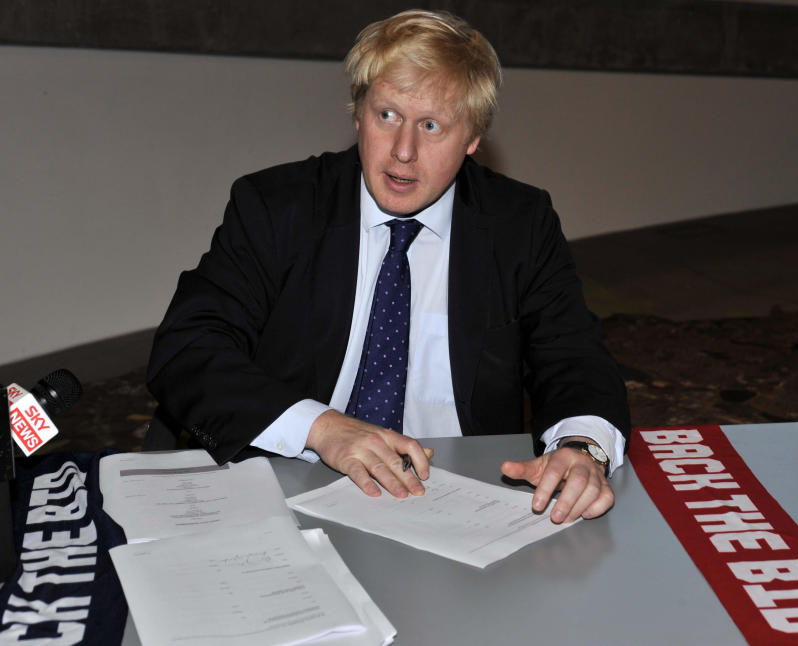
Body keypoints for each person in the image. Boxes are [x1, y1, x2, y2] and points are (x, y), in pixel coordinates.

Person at [147, 9, 630, 523]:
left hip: (463, 497)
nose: (404, 151)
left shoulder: (519, 223)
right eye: (387, 116)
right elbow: (188, 347)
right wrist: (322, 428)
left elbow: (575, 356)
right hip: (295, 477)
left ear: (472, 140)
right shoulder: (277, 206)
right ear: (357, 114)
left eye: (431, 125)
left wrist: (583, 449)